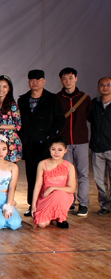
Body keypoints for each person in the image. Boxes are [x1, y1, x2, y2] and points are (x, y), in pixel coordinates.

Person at [18, 70, 65, 216]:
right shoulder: (23, 100)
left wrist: (51, 137)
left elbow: (60, 120)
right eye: (32, 79)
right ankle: (32, 205)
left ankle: (48, 205)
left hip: (46, 145)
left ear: (44, 81)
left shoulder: (52, 99)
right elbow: (19, 122)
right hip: (30, 144)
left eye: (38, 79)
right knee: (32, 176)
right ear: (29, 82)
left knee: (48, 177)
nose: (35, 82)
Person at [57, 68, 92, 217]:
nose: (68, 81)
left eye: (70, 78)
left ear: (76, 78)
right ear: (61, 81)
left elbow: (92, 118)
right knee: (66, 174)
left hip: (81, 141)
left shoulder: (85, 98)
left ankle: (83, 204)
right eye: (64, 79)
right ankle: (70, 201)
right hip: (64, 143)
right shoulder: (57, 99)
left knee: (83, 174)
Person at [32, 137, 76, 229]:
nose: (56, 152)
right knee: (41, 225)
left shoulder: (70, 166)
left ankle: (60, 217)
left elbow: (72, 189)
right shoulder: (42, 164)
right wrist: (33, 205)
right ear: (49, 149)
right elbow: (38, 185)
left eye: (60, 150)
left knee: (58, 193)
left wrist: (53, 188)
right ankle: (52, 216)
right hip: (45, 197)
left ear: (65, 151)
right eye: (53, 149)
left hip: (62, 197)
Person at [89, 77, 111, 215]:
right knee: (99, 180)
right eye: (102, 85)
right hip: (97, 148)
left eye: (108, 85)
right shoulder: (94, 104)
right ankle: (105, 205)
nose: (105, 87)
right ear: (98, 88)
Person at [0, 75, 23, 162]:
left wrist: (0, 126)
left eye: (4, 87)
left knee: (9, 168)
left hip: (10, 141)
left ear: (9, 89)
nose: (1, 89)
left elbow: (17, 126)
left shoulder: (12, 105)